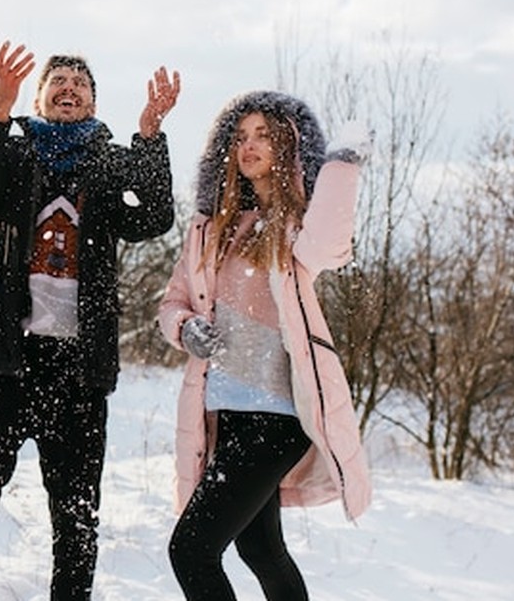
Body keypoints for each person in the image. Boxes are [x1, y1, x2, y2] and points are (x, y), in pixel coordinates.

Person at [0, 43, 181, 601]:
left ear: (94, 101)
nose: (70, 86)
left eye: (81, 81)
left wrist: (149, 134)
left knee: (76, 521)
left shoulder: (107, 160)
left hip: (78, 370)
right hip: (3, 359)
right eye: (59, 81)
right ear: (39, 97)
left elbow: (153, 216)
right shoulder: (15, 154)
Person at [157, 90, 374, 600]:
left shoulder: (297, 225)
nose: (248, 146)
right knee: (261, 551)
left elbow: (331, 246)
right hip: (224, 417)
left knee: (190, 551)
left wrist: (341, 166)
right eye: (240, 136)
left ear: (287, 148)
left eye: (262, 136)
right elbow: (173, 301)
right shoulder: (209, 231)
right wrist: (185, 327)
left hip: (276, 420)